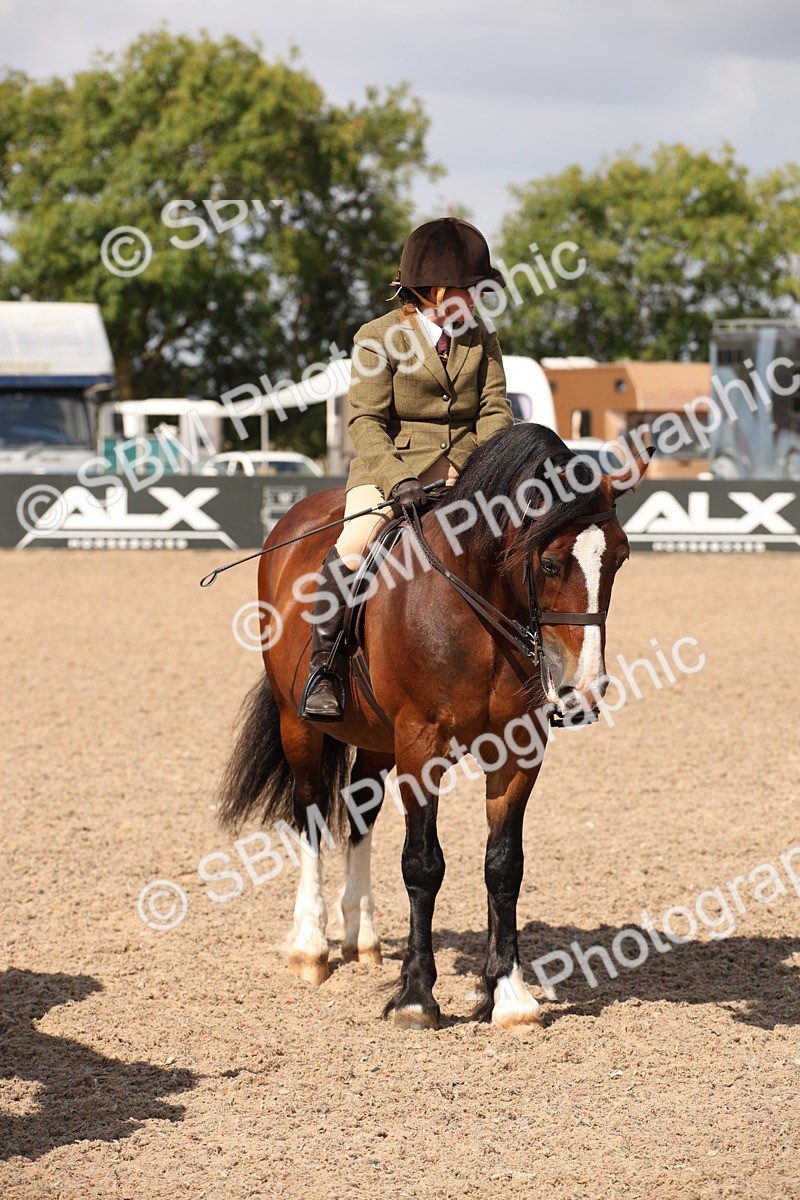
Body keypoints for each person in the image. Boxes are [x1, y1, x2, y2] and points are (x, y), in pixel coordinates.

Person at [299, 216, 513, 720]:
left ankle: (540, 667)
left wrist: (478, 466)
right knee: (353, 548)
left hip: (468, 472)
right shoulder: (377, 338)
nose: (479, 299)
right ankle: (325, 670)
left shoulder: (481, 336)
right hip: (391, 474)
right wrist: (399, 480)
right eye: (472, 289)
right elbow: (366, 421)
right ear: (435, 292)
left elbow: (495, 409)